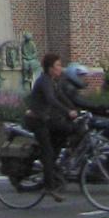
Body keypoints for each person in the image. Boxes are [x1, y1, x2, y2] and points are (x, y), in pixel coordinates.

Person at [27, 53, 81, 198]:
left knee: (67, 130)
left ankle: (53, 166)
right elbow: (51, 99)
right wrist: (68, 111)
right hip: (36, 121)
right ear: (50, 68)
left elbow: (61, 96)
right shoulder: (44, 81)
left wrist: (75, 109)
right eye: (57, 65)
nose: (60, 68)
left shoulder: (53, 81)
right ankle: (49, 187)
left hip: (45, 119)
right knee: (48, 152)